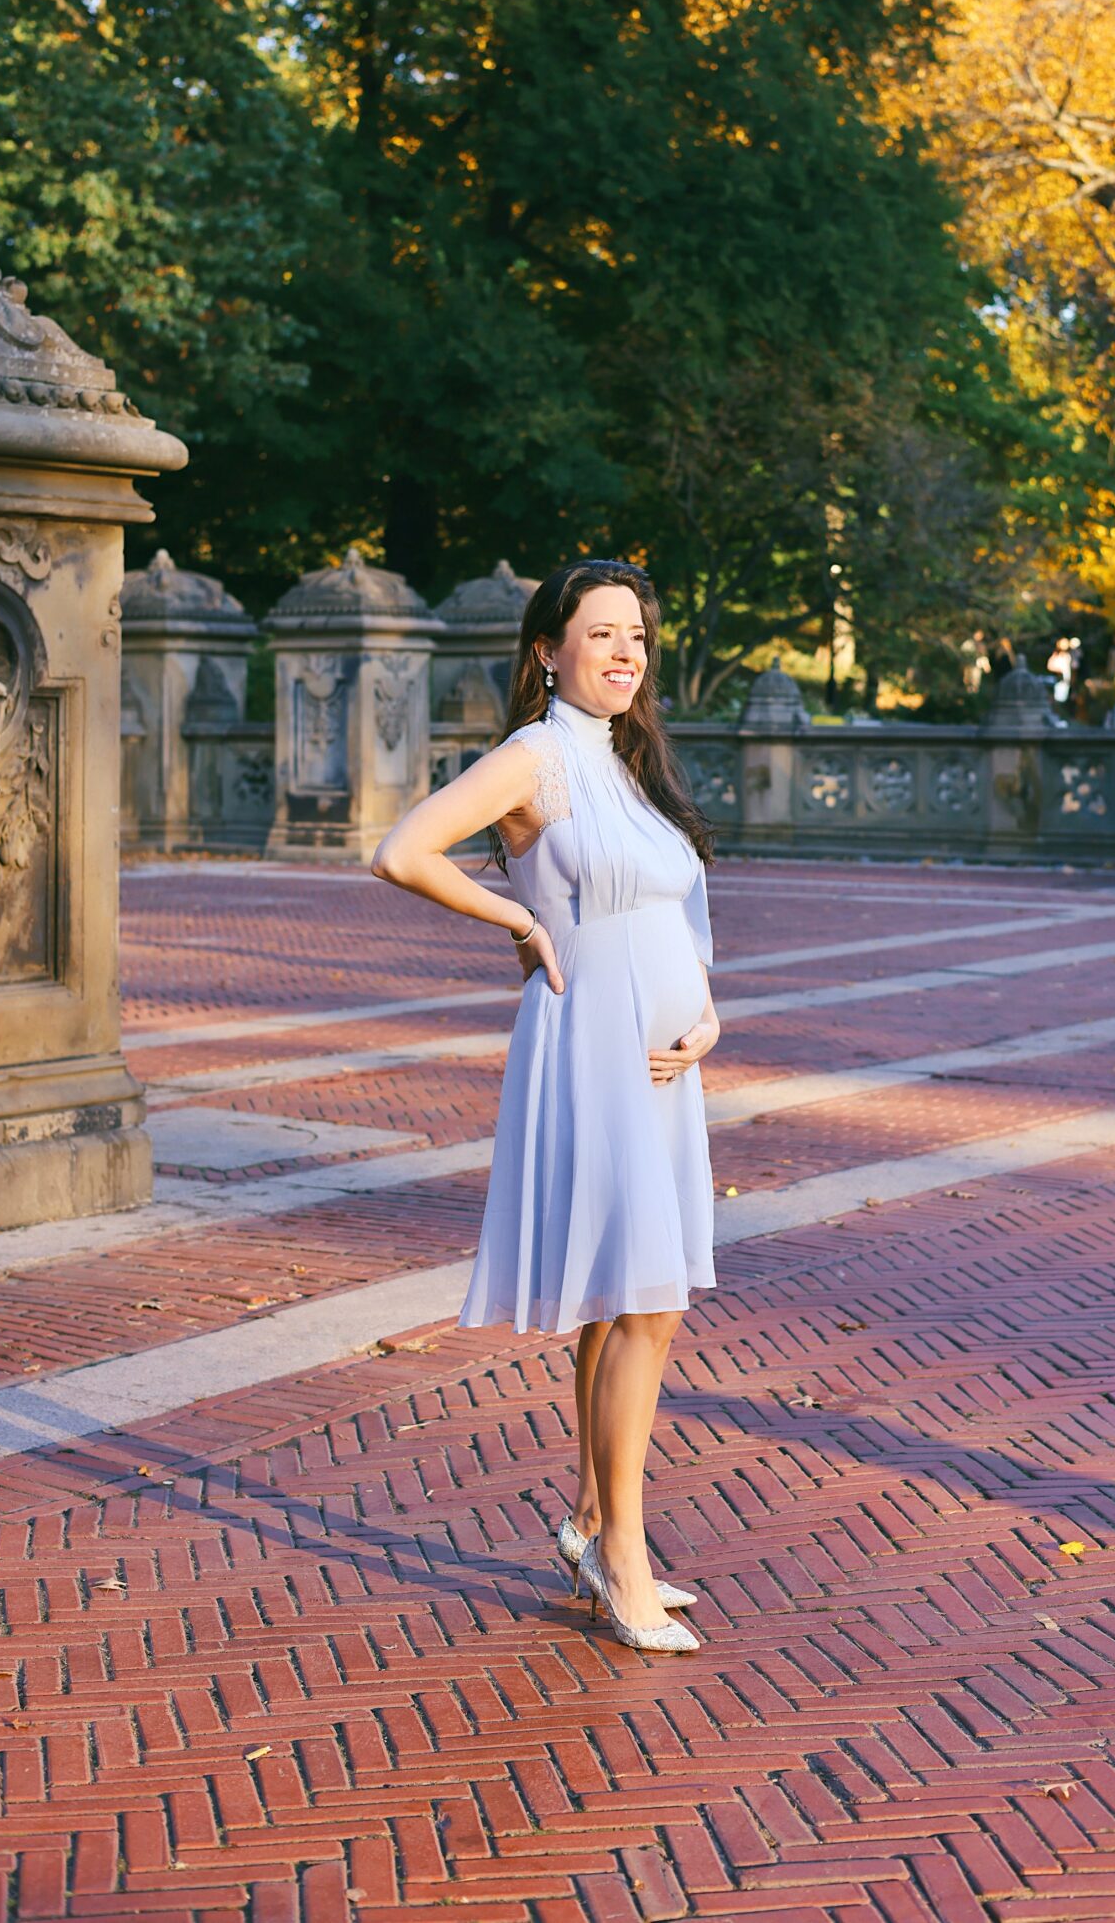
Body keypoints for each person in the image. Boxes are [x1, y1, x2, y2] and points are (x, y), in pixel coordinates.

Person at [372, 559, 720, 1655]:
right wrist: (518, 926)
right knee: (646, 1304)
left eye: (638, 637)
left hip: (669, 1064)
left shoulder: (631, 762)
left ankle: (589, 1523)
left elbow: (680, 907)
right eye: (602, 634)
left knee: (629, 1296)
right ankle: (625, 1562)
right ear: (547, 649)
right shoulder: (538, 757)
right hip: (591, 1052)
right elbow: (401, 851)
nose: (625, 653)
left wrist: (707, 1016)